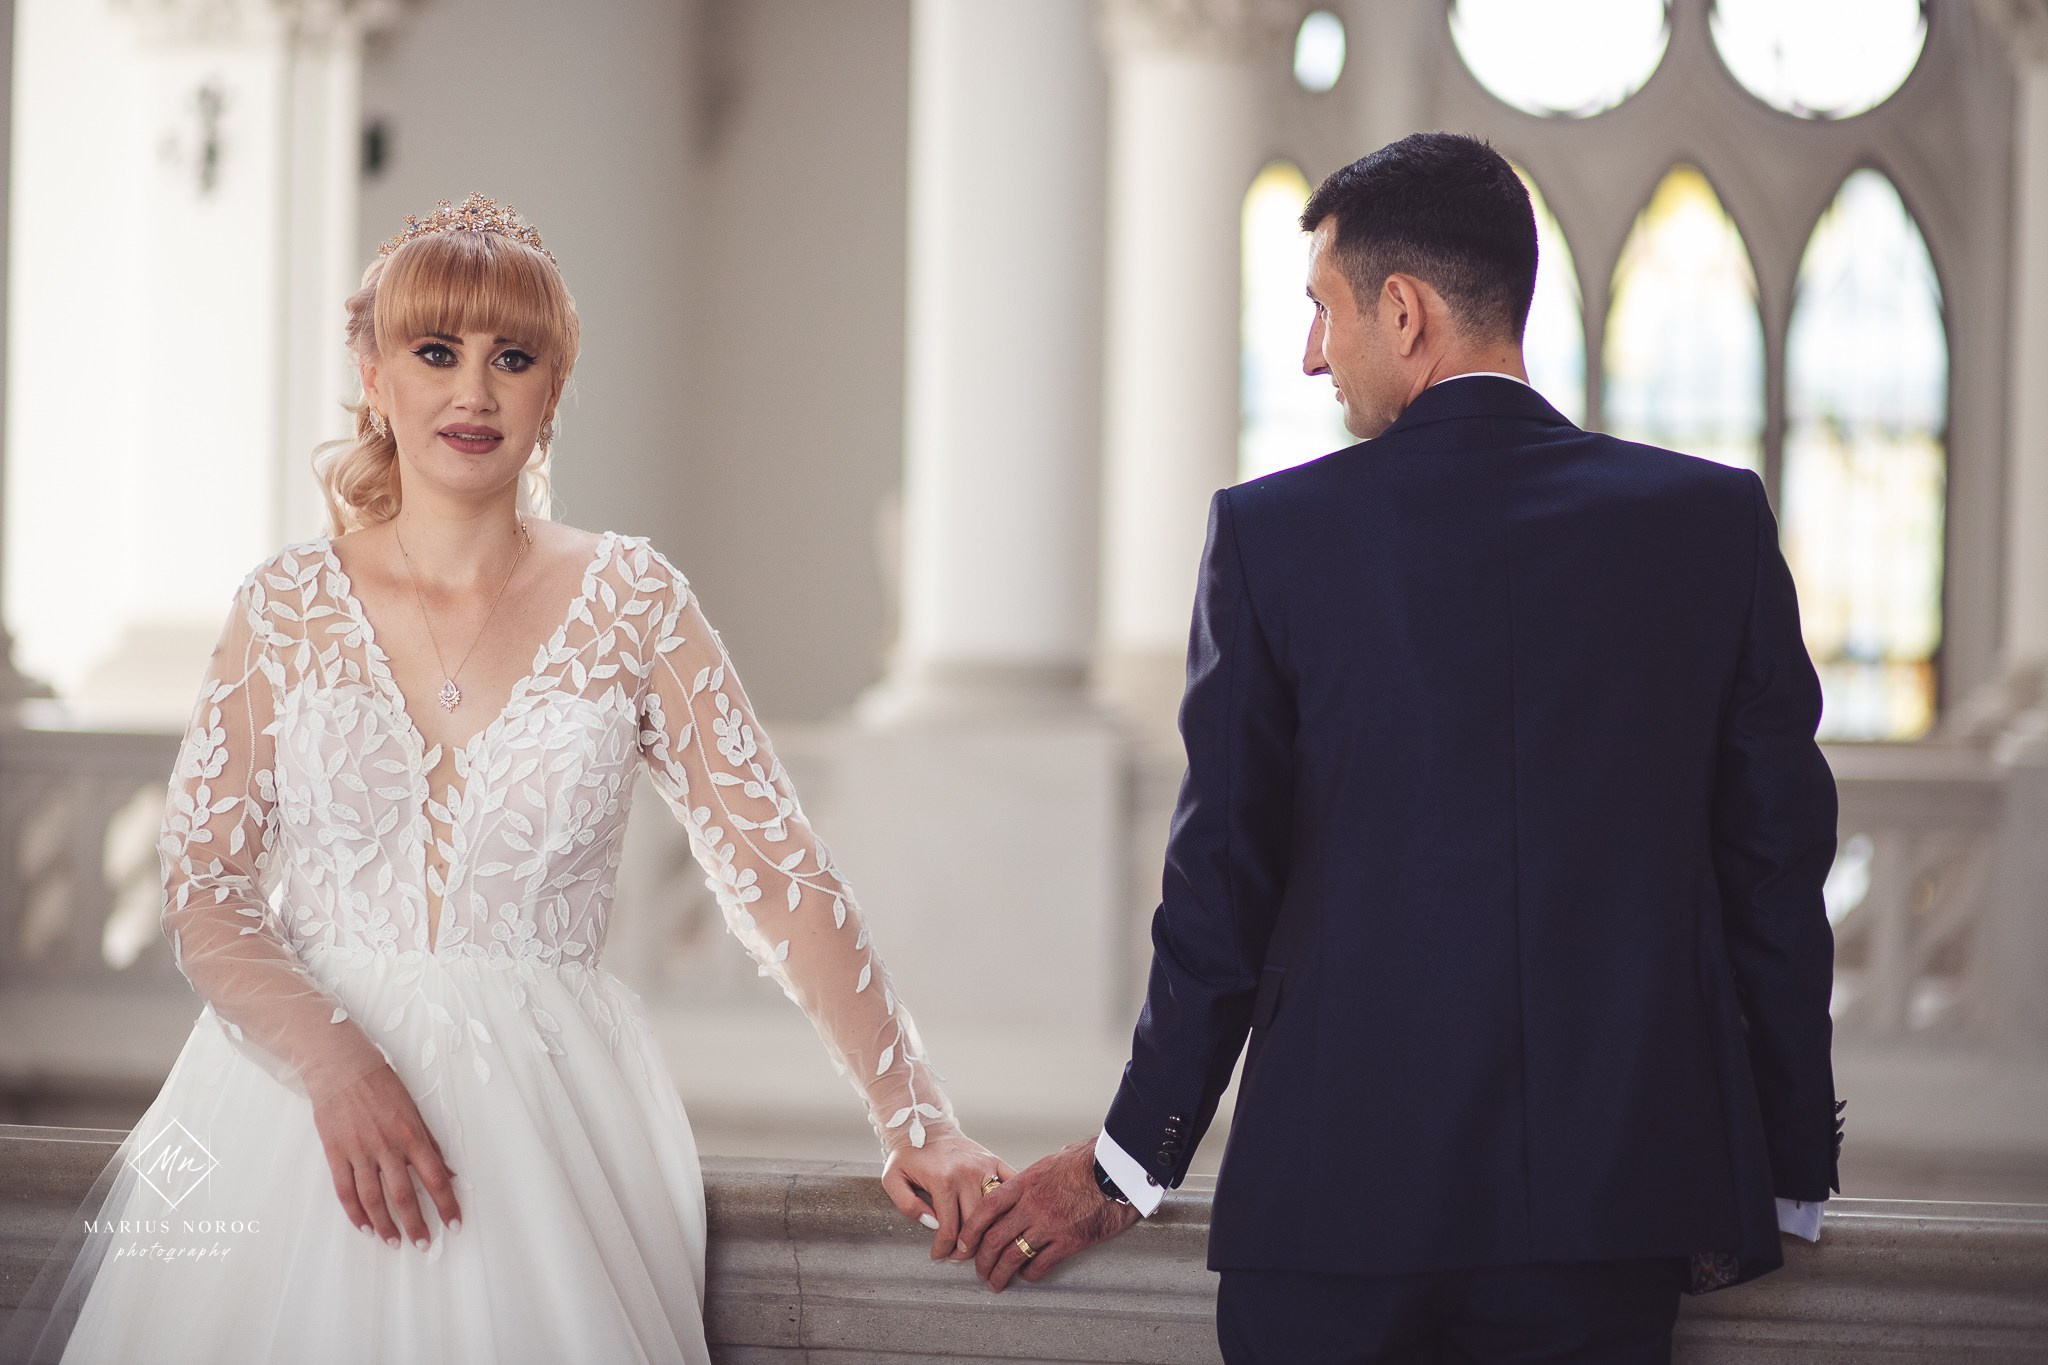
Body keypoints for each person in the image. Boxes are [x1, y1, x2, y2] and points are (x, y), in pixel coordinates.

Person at [2, 194, 1007, 1365]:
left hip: (545, 1130)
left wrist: (917, 1117)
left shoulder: (635, 603)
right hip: (287, 1120)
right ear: (373, 375)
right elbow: (206, 885)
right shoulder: (281, 609)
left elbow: (781, 878)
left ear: (552, 390)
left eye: (510, 358)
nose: (473, 392)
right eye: (436, 353)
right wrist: (335, 1063)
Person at [962, 133, 1843, 1363]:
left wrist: (1126, 1161)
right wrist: (1789, 1160)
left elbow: (1219, 893)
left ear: (1404, 311)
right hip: (1611, 1215)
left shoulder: (1271, 540)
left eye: (1323, 311)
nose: (1312, 352)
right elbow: (1774, 874)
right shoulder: (1709, 525)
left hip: (1332, 1215)